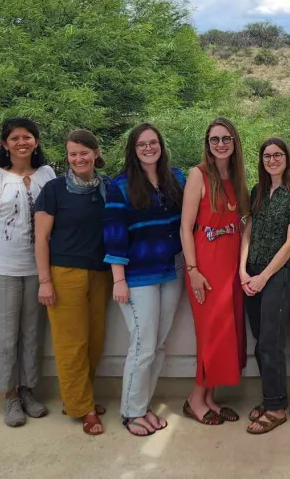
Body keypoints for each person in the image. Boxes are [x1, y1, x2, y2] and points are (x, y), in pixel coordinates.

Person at [0, 117, 57, 428]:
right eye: (15, 138)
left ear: (36, 141)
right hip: (0, 267)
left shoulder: (48, 174)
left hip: (38, 268)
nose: (22, 142)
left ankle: (28, 391)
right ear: (5, 144)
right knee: (6, 335)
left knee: (33, 333)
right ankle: (9, 395)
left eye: (28, 137)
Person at [103, 123, 185, 437]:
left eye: (153, 142)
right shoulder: (120, 186)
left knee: (159, 345)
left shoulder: (176, 178)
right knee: (143, 346)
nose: (149, 148)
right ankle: (131, 412)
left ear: (161, 145)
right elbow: (114, 235)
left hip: (172, 271)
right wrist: (118, 280)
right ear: (133, 150)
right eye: (141, 144)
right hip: (138, 277)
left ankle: (143, 405)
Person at [34, 130, 110, 436]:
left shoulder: (106, 187)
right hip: (64, 273)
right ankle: (83, 407)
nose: (78, 159)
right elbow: (40, 238)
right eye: (72, 154)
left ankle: (79, 398)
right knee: (71, 344)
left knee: (95, 341)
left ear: (95, 153)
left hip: (100, 273)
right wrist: (44, 281)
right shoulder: (54, 190)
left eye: (83, 152)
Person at [239, 138, 290, 434]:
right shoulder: (258, 192)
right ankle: (270, 397)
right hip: (252, 272)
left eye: (278, 155)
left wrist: (263, 276)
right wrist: (243, 270)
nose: (272, 160)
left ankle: (277, 406)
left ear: (287, 158)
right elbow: (248, 233)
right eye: (267, 156)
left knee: (271, 341)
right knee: (260, 340)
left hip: (277, 275)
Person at [180, 117, 249, 426]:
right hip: (206, 268)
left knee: (226, 335)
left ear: (234, 142)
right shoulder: (198, 175)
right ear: (207, 145)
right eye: (214, 140)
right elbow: (185, 227)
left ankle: (210, 398)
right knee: (210, 336)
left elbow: (242, 224)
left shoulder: (236, 177)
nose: (220, 144)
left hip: (232, 268)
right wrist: (192, 269)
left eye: (226, 139)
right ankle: (195, 399)